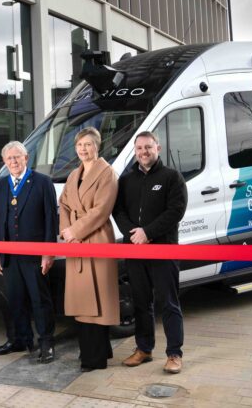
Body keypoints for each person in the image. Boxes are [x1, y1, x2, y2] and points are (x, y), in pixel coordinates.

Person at [112, 131, 188, 374]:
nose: (144, 152)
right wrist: (134, 234)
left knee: (168, 303)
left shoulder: (172, 177)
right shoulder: (126, 179)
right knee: (141, 303)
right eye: (140, 148)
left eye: (148, 147)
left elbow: (175, 211)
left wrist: (149, 233)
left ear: (158, 148)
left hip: (163, 249)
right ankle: (144, 349)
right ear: (135, 151)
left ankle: (174, 353)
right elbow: (118, 210)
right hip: (135, 250)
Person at [0, 141, 58, 364]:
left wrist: (48, 252)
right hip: (9, 255)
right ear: (4, 162)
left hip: (35, 254)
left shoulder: (42, 182)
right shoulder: (0, 185)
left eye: (17, 157)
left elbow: (51, 219)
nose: (14, 162)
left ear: (26, 158)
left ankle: (46, 342)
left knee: (40, 300)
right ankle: (19, 339)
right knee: (15, 299)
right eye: (9, 158)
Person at [59, 127, 120, 371]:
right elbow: (63, 203)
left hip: (96, 240)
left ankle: (95, 358)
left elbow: (101, 210)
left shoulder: (108, 173)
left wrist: (75, 231)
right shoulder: (74, 174)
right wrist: (66, 231)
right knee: (82, 301)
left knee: (98, 301)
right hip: (76, 242)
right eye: (79, 145)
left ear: (97, 146)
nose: (83, 149)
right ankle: (92, 351)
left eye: (88, 145)